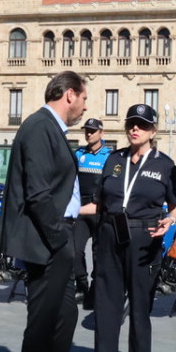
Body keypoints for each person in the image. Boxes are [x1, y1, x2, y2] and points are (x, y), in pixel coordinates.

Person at [0, 71, 91, 352]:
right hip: (47, 241)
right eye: (84, 99)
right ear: (69, 95)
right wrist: (59, 242)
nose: (84, 107)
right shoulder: (39, 127)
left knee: (64, 319)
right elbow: (37, 194)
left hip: (57, 239)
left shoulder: (52, 129)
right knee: (41, 325)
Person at [88, 104, 176, 352]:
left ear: (153, 131)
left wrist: (171, 220)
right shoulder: (114, 160)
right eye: (131, 124)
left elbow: (175, 207)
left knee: (140, 313)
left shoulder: (165, 165)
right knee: (106, 311)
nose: (134, 129)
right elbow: (100, 202)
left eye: (141, 125)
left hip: (144, 242)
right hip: (110, 237)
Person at [73, 117, 110, 311]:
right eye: (87, 130)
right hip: (81, 208)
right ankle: (82, 285)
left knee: (99, 254)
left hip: (99, 210)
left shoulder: (109, 156)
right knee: (75, 250)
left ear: (101, 133)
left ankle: (95, 290)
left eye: (93, 131)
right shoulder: (78, 154)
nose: (89, 134)